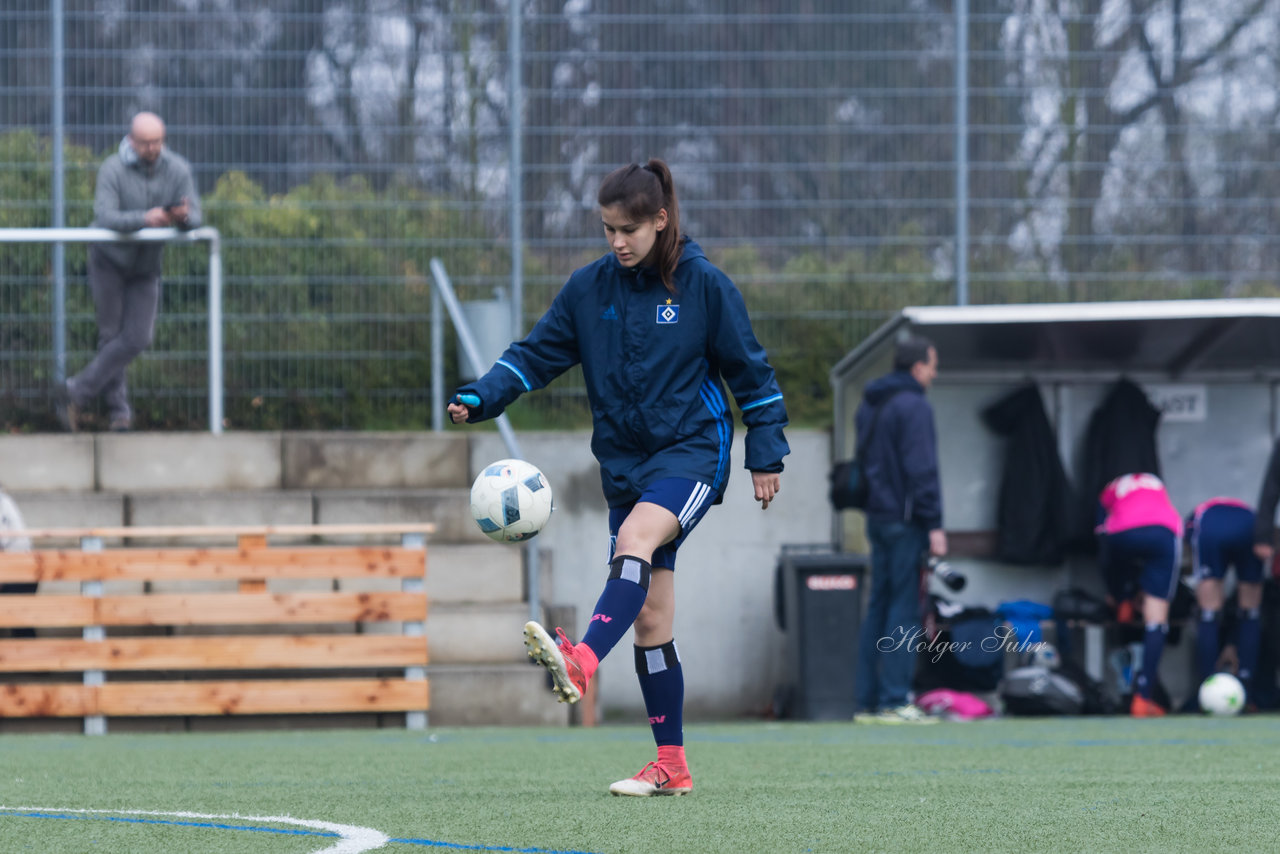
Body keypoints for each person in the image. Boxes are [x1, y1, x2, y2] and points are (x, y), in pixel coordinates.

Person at [447, 159, 788, 797]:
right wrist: (482, 395)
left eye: (629, 229)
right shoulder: (589, 291)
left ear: (661, 220)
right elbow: (534, 355)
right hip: (625, 464)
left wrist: (764, 452)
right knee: (653, 619)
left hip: (692, 451)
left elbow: (751, 372)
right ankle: (673, 765)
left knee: (635, 540)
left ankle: (581, 659)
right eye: (607, 229)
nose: (618, 242)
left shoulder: (705, 286)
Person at [53, 111, 202, 433]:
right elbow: (105, 216)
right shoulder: (113, 168)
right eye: (146, 142)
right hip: (108, 260)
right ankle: (119, 414)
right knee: (111, 336)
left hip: (145, 267)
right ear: (131, 141)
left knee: (138, 337)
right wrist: (144, 219)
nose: (152, 148)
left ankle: (75, 390)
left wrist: (181, 218)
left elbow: (196, 217)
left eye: (157, 142)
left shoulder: (177, 169)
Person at [851, 334, 945, 724]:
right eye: (933, 364)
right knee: (905, 607)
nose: (935, 373)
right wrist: (935, 523)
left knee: (878, 605)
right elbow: (921, 470)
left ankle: (868, 702)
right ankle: (894, 699)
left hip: (877, 517)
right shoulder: (913, 406)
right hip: (906, 520)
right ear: (918, 367)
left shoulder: (871, 404)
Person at [1096, 472, 1182, 717]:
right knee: (1157, 619)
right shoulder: (1156, 483)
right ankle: (1143, 698)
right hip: (1162, 532)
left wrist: (1114, 589)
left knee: (1115, 552)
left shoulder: (1110, 489)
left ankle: (1123, 601)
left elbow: (1101, 536)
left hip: (1122, 531)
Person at [1186, 498, 1264, 706]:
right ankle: (1247, 691)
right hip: (1251, 524)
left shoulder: (1197, 517)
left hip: (1211, 526)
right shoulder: (1247, 511)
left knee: (1208, 610)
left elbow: (1188, 561)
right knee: (1251, 610)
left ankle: (1207, 688)